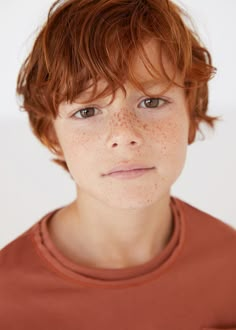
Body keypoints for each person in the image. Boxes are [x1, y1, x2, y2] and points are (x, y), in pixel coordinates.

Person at [1, 0, 235, 328]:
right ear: (52, 134)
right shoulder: (6, 297)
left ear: (191, 116)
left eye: (151, 101)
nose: (124, 135)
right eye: (87, 111)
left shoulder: (230, 268)